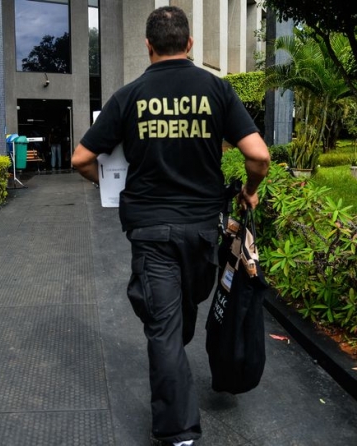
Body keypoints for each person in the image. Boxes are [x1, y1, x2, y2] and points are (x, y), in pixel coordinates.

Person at [72, 6, 270, 446]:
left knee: (169, 325)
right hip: (201, 229)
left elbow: (81, 160)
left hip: (149, 228)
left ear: (148, 45)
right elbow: (258, 156)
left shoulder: (129, 95)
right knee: (172, 321)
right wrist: (251, 190)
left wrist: (113, 188)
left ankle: (171, 356)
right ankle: (179, 431)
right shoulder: (215, 90)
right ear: (190, 44)